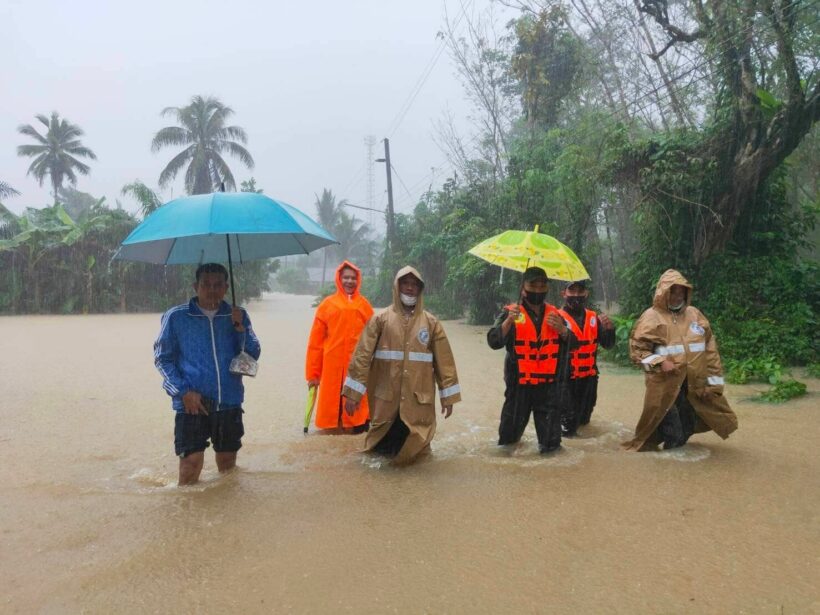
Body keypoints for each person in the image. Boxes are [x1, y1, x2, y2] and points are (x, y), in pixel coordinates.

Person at [341, 266, 461, 464]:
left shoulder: (431, 323)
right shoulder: (380, 320)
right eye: (405, 283)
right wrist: (353, 395)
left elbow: (445, 362)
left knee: (418, 457)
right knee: (377, 457)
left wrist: (448, 397)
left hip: (417, 403)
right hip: (386, 400)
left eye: (414, 284)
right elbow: (362, 356)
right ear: (397, 287)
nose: (410, 288)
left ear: (420, 289)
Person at [154, 263, 261, 485]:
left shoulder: (237, 315)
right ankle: (188, 516)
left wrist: (240, 329)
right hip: (192, 403)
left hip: (229, 402)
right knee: (189, 466)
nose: (212, 290)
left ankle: (225, 514)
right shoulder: (176, 317)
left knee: (227, 464)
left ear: (226, 287)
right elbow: (162, 359)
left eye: (218, 285)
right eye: (206, 284)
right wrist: (182, 392)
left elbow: (252, 354)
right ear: (196, 286)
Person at [623, 269, 738, 451]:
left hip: (694, 388)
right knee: (673, 433)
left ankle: (676, 469)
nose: (677, 296)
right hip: (665, 388)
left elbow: (711, 353)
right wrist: (660, 361)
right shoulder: (651, 317)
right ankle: (669, 472)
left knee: (686, 429)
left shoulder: (695, 315)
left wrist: (714, 386)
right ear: (663, 293)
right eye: (672, 291)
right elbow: (637, 352)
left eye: (681, 292)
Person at [487, 266, 574, 453]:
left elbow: (574, 344)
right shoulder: (510, 312)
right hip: (519, 387)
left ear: (547, 289)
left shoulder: (555, 315)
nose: (537, 289)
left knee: (552, 447)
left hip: (549, 388)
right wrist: (508, 322)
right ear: (523, 288)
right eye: (533, 284)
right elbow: (493, 341)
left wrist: (563, 330)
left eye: (542, 285)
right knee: (507, 444)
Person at [305, 260, 374, 433]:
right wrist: (313, 375)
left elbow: (375, 340)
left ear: (358, 280)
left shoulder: (365, 306)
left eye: (353, 278)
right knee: (332, 420)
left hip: (357, 371)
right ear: (339, 279)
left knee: (358, 417)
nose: (349, 281)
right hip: (331, 370)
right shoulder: (327, 305)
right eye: (346, 277)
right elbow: (315, 344)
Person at [556, 280, 615, 436]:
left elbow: (608, 345)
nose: (576, 295)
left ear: (586, 294)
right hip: (564, 379)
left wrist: (609, 329)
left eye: (580, 291)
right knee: (568, 424)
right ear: (564, 294)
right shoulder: (556, 318)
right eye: (572, 291)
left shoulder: (594, 318)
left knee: (583, 421)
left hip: (589, 379)